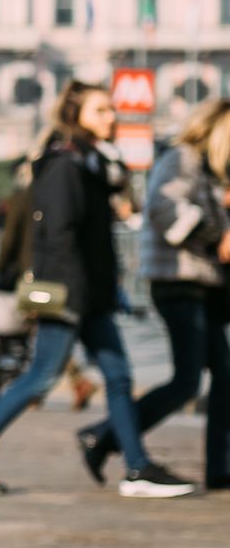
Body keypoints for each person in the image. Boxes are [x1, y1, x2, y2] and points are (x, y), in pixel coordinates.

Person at [0, 81, 196, 499]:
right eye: (100, 111)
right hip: (70, 296)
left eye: (111, 110)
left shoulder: (91, 164)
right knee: (41, 377)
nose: (111, 117)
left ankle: (137, 466)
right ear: (75, 115)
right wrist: (75, 296)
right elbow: (58, 237)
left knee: (117, 376)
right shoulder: (66, 166)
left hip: (90, 295)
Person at [74, 105, 230, 490]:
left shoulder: (205, 169)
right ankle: (105, 435)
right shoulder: (183, 158)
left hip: (201, 282)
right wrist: (216, 234)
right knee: (187, 381)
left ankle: (220, 467)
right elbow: (163, 209)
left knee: (223, 377)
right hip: (177, 280)